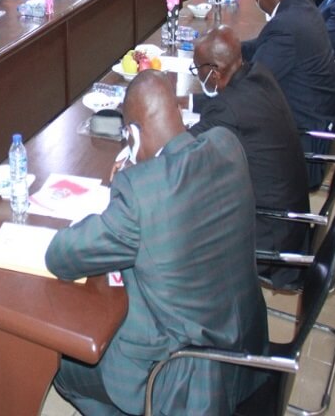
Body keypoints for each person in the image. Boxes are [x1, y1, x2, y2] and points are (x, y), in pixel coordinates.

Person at [45, 70, 268, 415]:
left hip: (186, 382)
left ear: (132, 135)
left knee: (66, 368)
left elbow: (61, 256)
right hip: (247, 352)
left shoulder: (141, 192)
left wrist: (130, 181)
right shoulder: (226, 144)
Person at [189, 26, 310, 288]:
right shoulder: (258, 74)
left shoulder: (228, 109)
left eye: (196, 70)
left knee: (182, 224)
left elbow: (181, 149)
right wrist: (184, 102)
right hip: (290, 221)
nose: (197, 75)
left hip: (269, 234)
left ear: (214, 73)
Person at [243, 0, 335, 188]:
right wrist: (229, 50)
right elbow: (262, 45)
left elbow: (249, 87)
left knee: (223, 142)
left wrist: (194, 103)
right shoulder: (302, 5)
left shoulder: (285, 27)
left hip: (303, 147)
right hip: (319, 126)